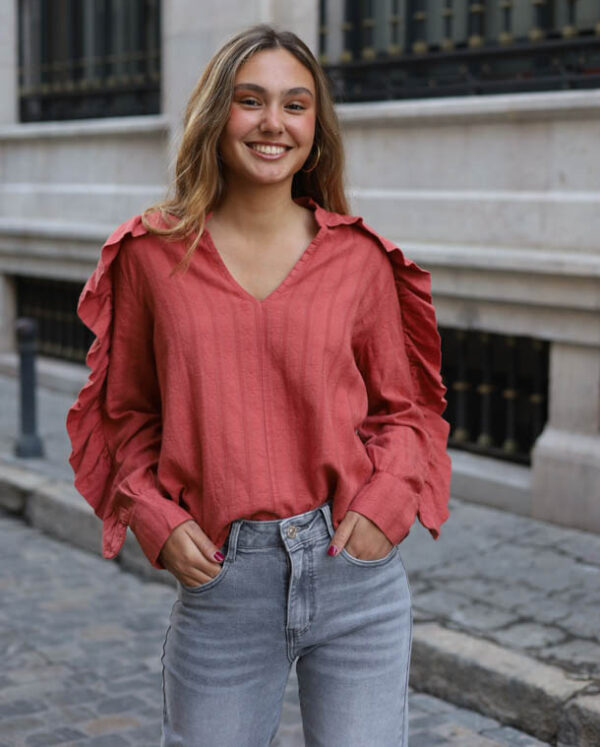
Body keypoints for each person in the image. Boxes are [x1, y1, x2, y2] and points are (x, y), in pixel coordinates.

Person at [65, 22, 451, 747]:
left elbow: (405, 410)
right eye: (252, 100)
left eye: (296, 104)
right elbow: (126, 414)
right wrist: (157, 516)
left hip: (353, 575)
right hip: (222, 581)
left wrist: (387, 504)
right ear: (218, 114)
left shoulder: (361, 259)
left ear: (316, 125)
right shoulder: (151, 257)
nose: (274, 122)